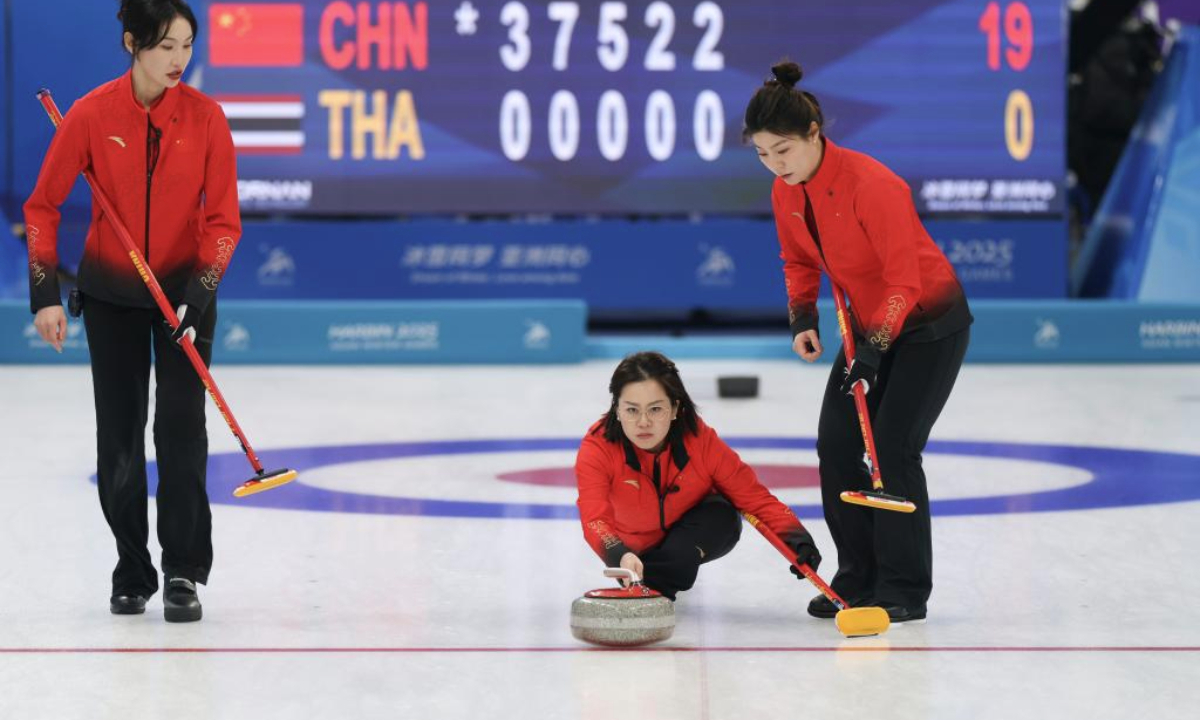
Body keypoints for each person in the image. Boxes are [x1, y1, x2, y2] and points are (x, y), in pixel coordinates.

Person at [25, 0, 240, 622]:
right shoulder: (92, 115)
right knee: (118, 440)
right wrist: (44, 294)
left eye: (187, 46)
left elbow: (224, 222)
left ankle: (182, 573)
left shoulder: (206, 119)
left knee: (180, 433)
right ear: (131, 44)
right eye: (166, 46)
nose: (179, 60)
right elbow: (42, 208)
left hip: (184, 297)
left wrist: (198, 296)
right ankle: (132, 567)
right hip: (114, 293)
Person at [744, 61, 973, 623]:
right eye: (763, 155)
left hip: (927, 324)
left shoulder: (873, 184)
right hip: (865, 329)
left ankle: (903, 587)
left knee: (893, 448)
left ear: (814, 134)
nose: (775, 165)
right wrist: (803, 317)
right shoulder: (785, 191)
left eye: (784, 151)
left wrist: (872, 351)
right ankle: (858, 576)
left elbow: (903, 281)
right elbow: (797, 258)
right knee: (838, 444)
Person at [575, 351, 821, 601]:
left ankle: (654, 588)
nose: (643, 422)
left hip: (691, 536)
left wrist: (796, 537)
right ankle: (648, 581)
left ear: (675, 409)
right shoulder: (598, 448)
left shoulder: (700, 441)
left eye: (656, 409)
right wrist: (620, 555)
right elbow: (594, 518)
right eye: (631, 410)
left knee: (721, 515)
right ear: (616, 409)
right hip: (632, 552)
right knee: (655, 559)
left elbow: (753, 497)